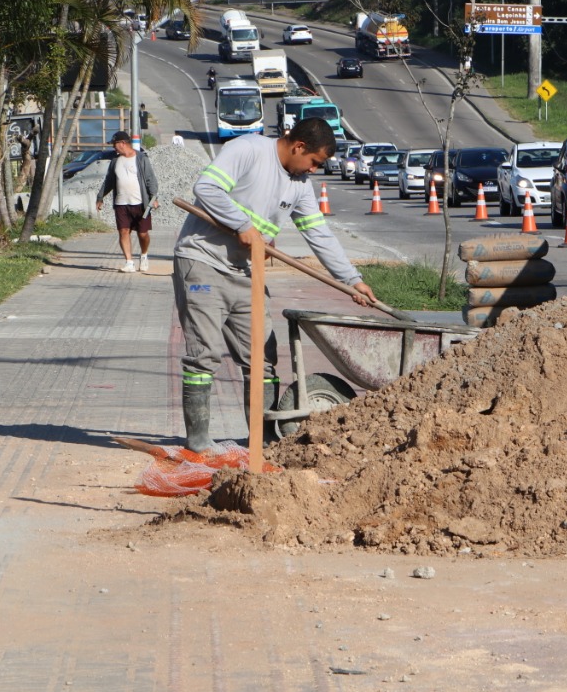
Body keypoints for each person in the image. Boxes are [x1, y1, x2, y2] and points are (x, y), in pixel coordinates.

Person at [172, 118, 375, 454]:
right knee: (203, 354)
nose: (312, 170)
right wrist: (242, 225)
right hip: (203, 263)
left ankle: (261, 439)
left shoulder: (299, 185)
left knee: (261, 358)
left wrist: (351, 280)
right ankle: (198, 442)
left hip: (245, 271)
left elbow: (319, 234)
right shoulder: (249, 149)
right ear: (298, 147)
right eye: (314, 162)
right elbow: (206, 189)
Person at [96, 130, 159, 273]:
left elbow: (150, 179)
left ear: (123, 143)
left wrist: (154, 197)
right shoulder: (115, 161)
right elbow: (109, 182)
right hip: (121, 203)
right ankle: (129, 262)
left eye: (115, 144)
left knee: (143, 234)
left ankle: (144, 256)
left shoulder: (141, 158)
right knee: (123, 231)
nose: (113, 147)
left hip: (140, 203)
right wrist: (100, 197)